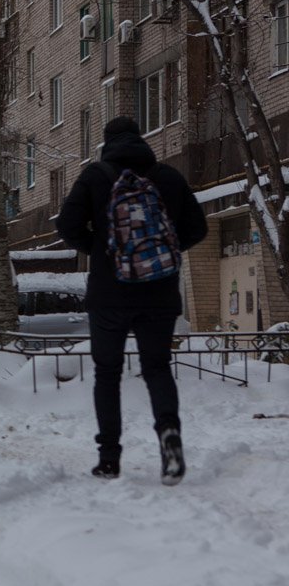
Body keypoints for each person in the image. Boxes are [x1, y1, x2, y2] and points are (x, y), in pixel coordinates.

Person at [56, 116, 207, 484]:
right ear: (141, 140)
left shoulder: (96, 176)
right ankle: (169, 438)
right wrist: (163, 255)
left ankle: (109, 458)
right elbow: (197, 228)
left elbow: (66, 225)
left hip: (109, 295)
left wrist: (100, 249)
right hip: (159, 292)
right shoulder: (168, 177)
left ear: (107, 143)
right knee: (157, 368)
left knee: (107, 374)